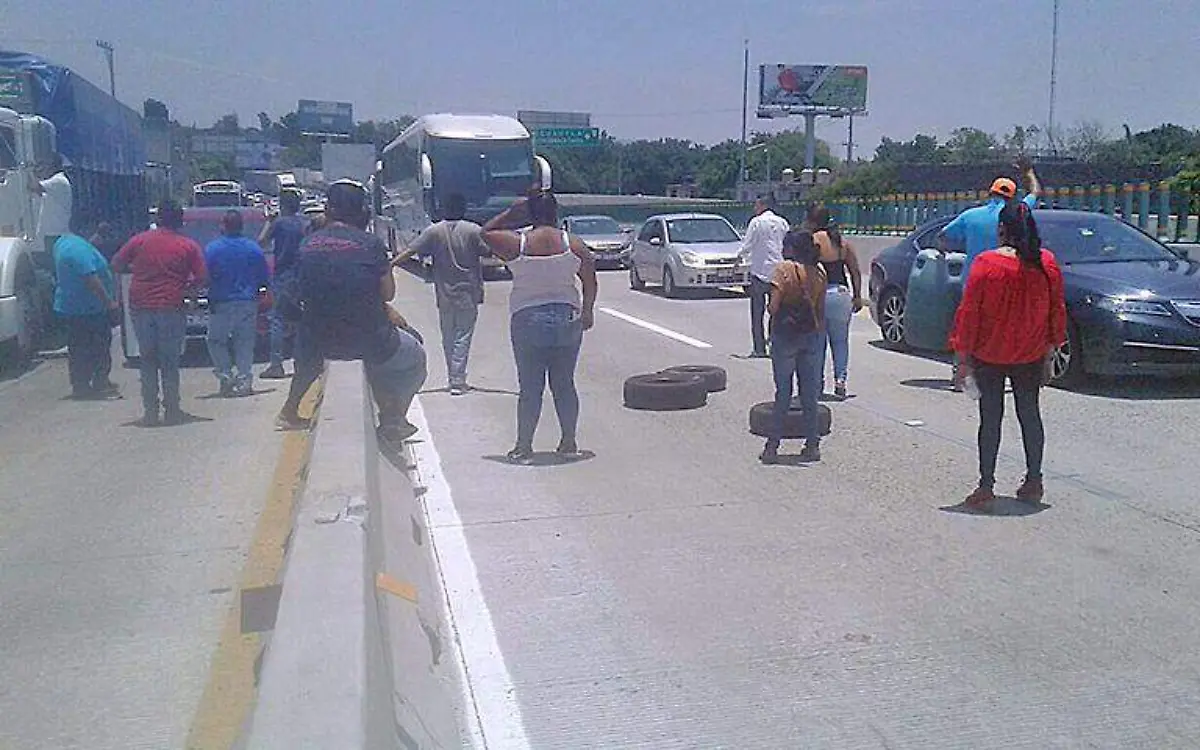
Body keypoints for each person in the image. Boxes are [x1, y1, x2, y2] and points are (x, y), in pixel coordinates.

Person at [275, 180, 427, 447]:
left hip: (317, 342)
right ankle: (392, 418)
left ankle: (290, 409)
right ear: (362, 211)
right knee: (414, 358)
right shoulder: (371, 244)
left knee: (309, 346)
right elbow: (387, 294)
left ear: (328, 209)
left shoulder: (307, 245)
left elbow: (297, 292)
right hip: (367, 342)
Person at [950, 201, 1066, 507]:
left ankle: (986, 486)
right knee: (1030, 415)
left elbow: (969, 313)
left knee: (990, 419)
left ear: (1001, 228)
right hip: (1030, 353)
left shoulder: (986, 263)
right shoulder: (1046, 263)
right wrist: (1050, 351)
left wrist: (962, 357)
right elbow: (1056, 310)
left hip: (990, 355)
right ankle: (1034, 480)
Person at [481, 191, 598, 465]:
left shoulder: (517, 243)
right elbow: (590, 280)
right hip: (567, 316)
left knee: (530, 388)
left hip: (528, 317)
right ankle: (568, 442)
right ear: (556, 212)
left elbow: (485, 233)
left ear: (530, 213)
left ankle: (524, 447)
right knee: (564, 384)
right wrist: (588, 310)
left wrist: (512, 212)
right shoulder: (573, 244)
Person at [939, 164, 1042, 386]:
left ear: (990, 193)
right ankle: (1006, 372)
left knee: (967, 326)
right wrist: (1029, 173)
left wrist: (954, 251)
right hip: (1008, 279)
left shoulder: (970, 215)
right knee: (1005, 327)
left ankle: (961, 374)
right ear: (1012, 197)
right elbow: (1035, 192)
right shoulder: (1017, 213)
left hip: (973, 279)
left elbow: (943, 236)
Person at [112, 200, 207, 426]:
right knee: (169, 361)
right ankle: (172, 409)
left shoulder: (139, 240)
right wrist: (188, 290)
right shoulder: (188, 245)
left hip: (141, 306)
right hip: (171, 305)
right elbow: (202, 277)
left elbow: (116, 264)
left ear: (158, 218)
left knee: (148, 359)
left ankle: (151, 412)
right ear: (180, 221)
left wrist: (137, 269)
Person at [392, 193, 489, 395]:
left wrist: (390, 264)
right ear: (463, 209)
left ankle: (453, 377)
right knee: (463, 336)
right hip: (468, 292)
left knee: (448, 336)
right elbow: (488, 250)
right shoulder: (473, 230)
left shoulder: (434, 231)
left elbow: (410, 250)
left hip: (444, 293)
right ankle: (457, 380)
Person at [760, 230, 827, 464]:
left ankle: (772, 446)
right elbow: (821, 311)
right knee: (809, 395)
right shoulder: (819, 273)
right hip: (810, 336)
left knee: (783, 393)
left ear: (791, 248)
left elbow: (773, 307)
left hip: (785, 336)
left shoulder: (783, 270)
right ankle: (812, 444)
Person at [205, 210, 270, 397]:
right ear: (242, 226)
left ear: (223, 226)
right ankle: (244, 381)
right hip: (247, 301)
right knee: (245, 343)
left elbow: (205, 275)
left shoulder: (212, 249)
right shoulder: (253, 248)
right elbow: (263, 278)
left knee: (216, 341)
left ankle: (225, 375)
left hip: (221, 302)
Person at [52, 220, 119, 399]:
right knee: (98, 347)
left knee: (78, 347)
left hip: (72, 306)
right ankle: (98, 383)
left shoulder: (64, 242)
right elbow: (91, 279)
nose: (100, 237)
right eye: (98, 231)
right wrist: (109, 303)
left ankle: (81, 383)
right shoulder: (79, 250)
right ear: (85, 229)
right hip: (89, 308)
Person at [808, 205, 865, 400]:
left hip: (821, 294)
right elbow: (855, 271)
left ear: (812, 221)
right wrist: (857, 296)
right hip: (841, 294)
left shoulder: (814, 240)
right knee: (840, 342)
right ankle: (840, 380)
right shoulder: (842, 242)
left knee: (818, 343)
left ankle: (817, 384)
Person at [258, 189, 306, 379]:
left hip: (282, 275)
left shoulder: (279, 223)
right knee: (300, 319)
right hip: (301, 276)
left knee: (277, 319)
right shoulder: (303, 224)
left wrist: (269, 221)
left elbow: (261, 242)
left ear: (283, 205)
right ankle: (302, 361)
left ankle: (276, 364)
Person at [742, 196, 789, 358]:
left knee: (757, 313)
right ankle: (775, 343)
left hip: (759, 272)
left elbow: (748, 244)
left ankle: (759, 348)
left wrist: (738, 257)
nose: (754, 208)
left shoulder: (756, 222)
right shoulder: (783, 222)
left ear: (763, 206)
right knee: (777, 311)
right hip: (779, 272)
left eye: (756, 205)